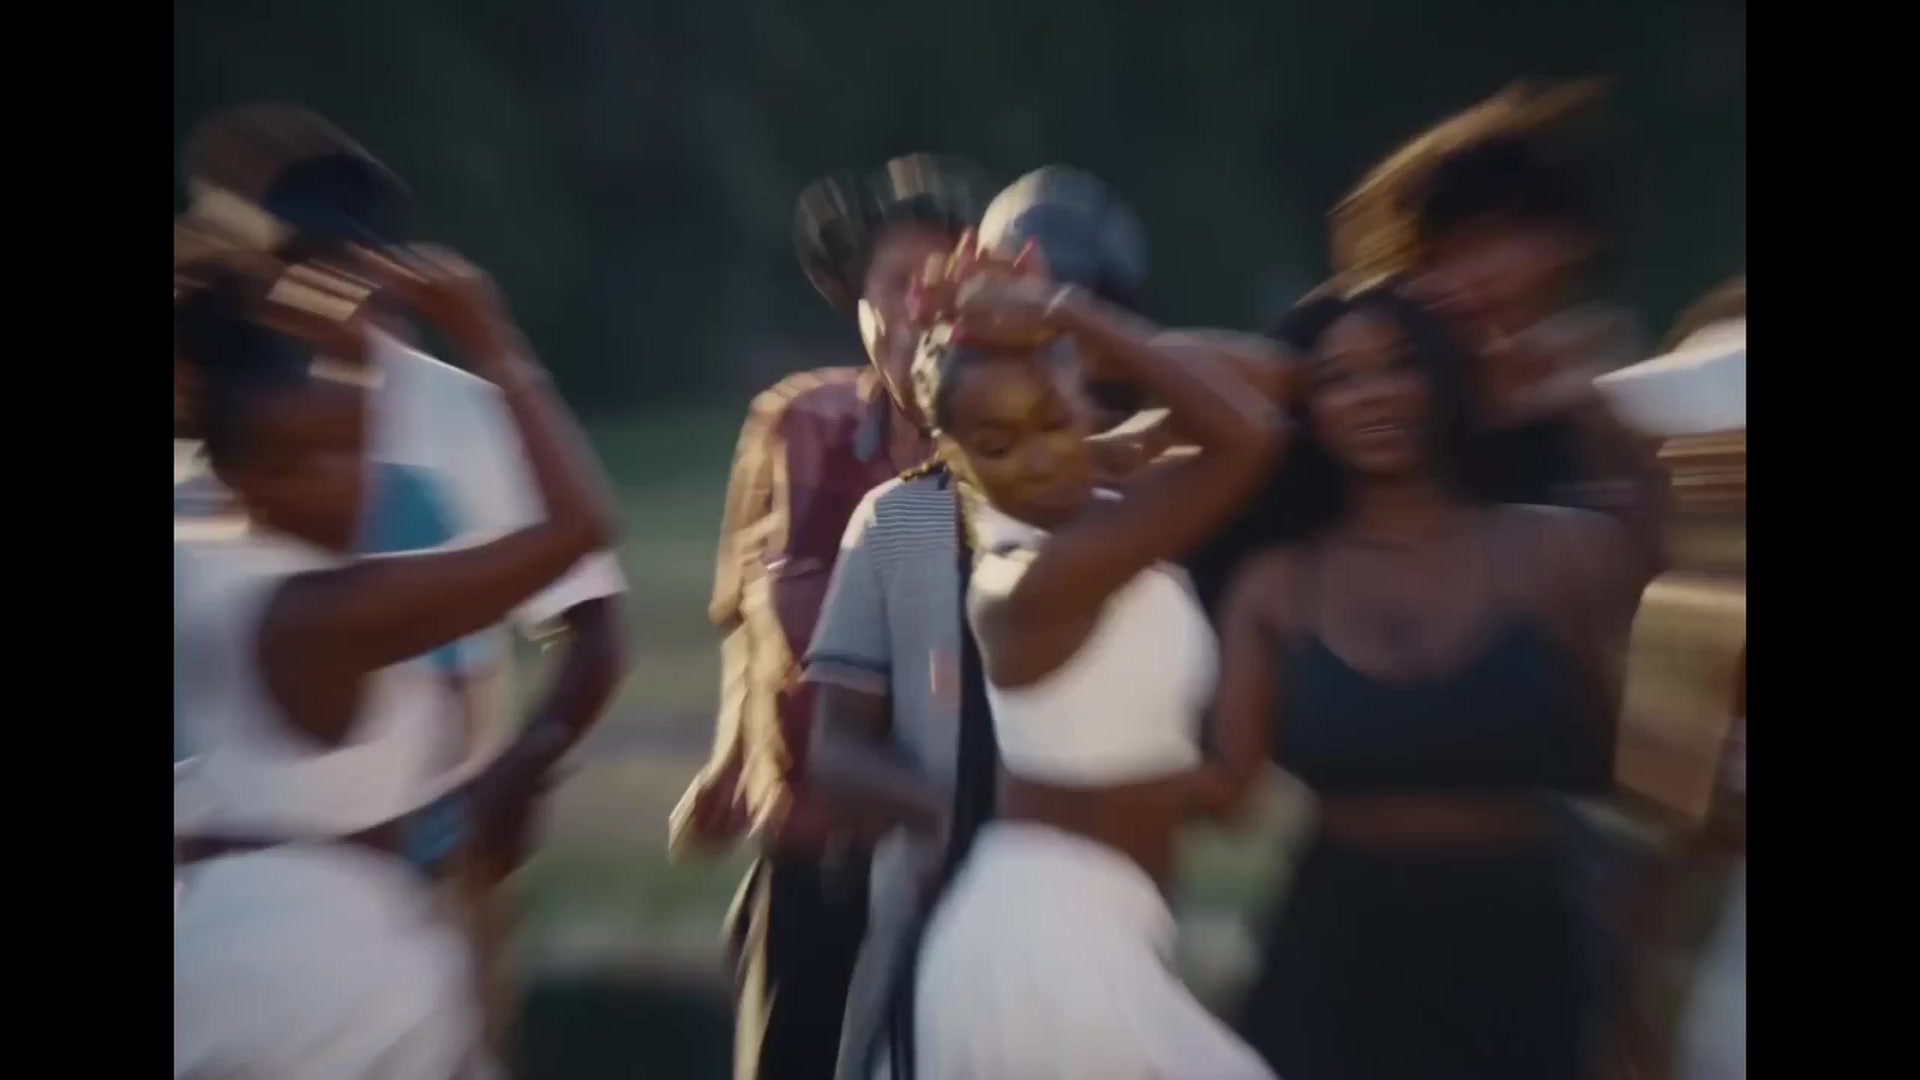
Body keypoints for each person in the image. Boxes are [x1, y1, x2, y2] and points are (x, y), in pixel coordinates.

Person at [173, 106, 630, 1054]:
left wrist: (519, 772)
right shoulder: (247, 449)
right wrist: (498, 341)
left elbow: (595, 627)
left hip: (417, 874)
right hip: (290, 902)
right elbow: (575, 530)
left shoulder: (445, 416)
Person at [801, 165, 1221, 1080]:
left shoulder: (1146, 492)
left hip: (1115, 916)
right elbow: (834, 746)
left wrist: (1071, 319)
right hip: (949, 910)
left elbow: (1265, 400)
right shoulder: (897, 521)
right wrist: (953, 818)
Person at [1210, 285, 1662, 1080]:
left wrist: (1598, 417)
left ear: (1445, 382)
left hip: (1526, 940)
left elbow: (1679, 672)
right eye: (1336, 378)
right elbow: (1222, 788)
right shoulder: (1274, 585)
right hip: (1336, 955)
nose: (1373, 394)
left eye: (1400, 365)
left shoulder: (1563, 552)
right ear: (1307, 410)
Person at [896, 243, 1287, 1079]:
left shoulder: (1101, 505)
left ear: (1086, 402)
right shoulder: (1032, 579)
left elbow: (1278, 380)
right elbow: (1253, 435)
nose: (1038, 459)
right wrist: (1068, 314)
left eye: (1053, 421)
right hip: (1043, 953)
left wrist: (1061, 328)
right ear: (956, 457)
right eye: (997, 443)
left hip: (1102, 939)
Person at [667, 153, 995, 1080]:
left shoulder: (1015, 458)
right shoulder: (792, 424)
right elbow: (747, 617)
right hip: (808, 847)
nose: (918, 311)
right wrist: (731, 762)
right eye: (895, 285)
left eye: (942, 287)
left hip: (956, 858)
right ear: (858, 301)